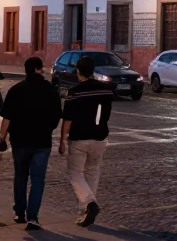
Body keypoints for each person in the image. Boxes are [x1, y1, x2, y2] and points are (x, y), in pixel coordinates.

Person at [0, 56, 62, 231]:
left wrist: (2, 137)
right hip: (42, 142)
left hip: (19, 141)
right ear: (39, 69)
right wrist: (48, 128)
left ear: (26, 70)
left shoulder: (16, 90)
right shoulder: (50, 91)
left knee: (20, 177)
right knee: (38, 180)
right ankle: (33, 218)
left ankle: (19, 212)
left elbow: (7, 117)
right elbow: (57, 115)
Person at [59, 54, 113, 228]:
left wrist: (62, 140)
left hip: (79, 139)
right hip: (100, 137)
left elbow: (67, 119)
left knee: (75, 173)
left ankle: (89, 204)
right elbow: (106, 114)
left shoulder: (73, 92)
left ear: (78, 71)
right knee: (92, 173)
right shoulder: (106, 90)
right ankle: (85, 212)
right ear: (93, 71)